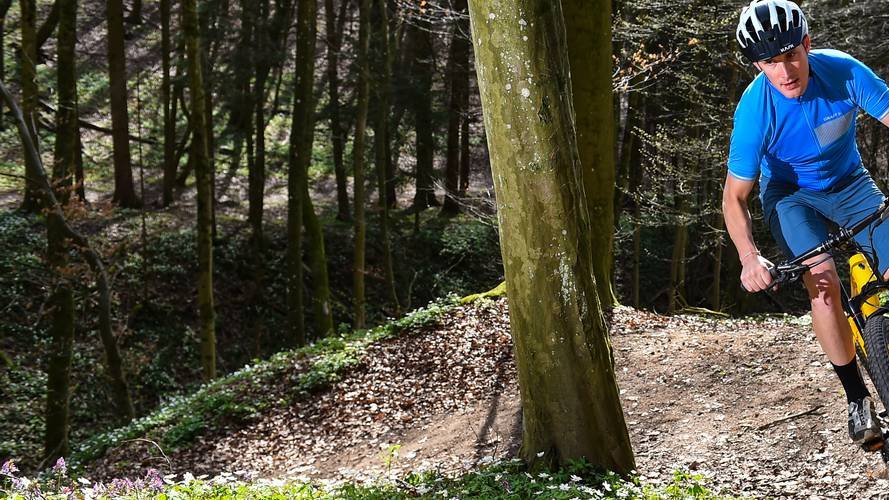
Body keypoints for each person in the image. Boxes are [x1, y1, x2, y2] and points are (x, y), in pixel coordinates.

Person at [724, 0, 889, 447]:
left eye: (791, 55)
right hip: (791, 199)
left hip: (851, 185)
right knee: (821, 278)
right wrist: (748, 257)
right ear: (757, 65)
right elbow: (734, 198)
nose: (784, 71)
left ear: (807, 45)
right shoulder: (755, 112)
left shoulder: (843, 71)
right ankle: (856, 397)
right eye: (769, 62)